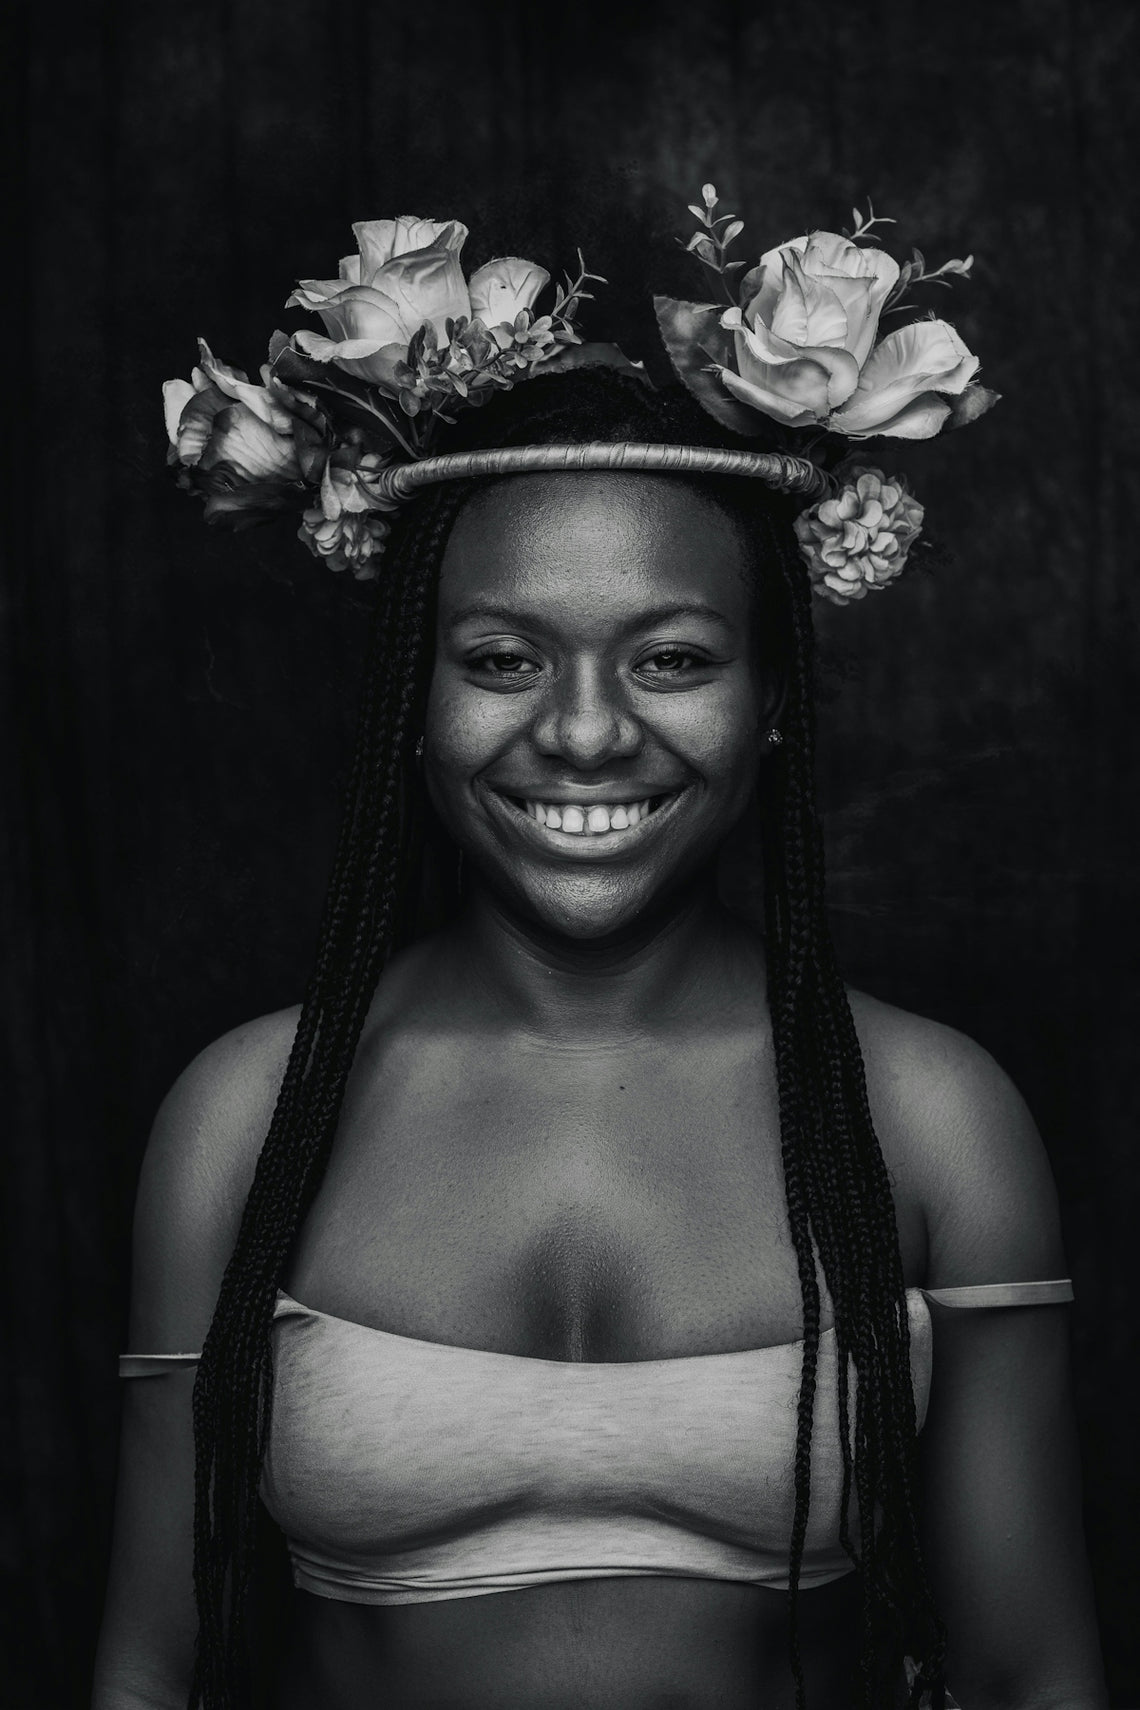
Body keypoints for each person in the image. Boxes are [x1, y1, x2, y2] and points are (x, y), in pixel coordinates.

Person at [93, 202, 1108, 1710]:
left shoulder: (930, 1117)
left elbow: (1034, 1671)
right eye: (501, 657)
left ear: (773, 696)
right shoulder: (245, 1116)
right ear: (414, 701)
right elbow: (147, 1670)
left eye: (672, 657)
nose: (580, 729)